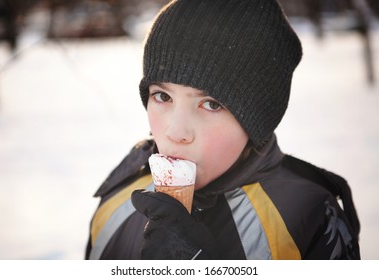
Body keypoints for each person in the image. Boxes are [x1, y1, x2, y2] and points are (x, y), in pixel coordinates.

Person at [85, 0, 360, 260]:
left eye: (211, 104)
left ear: (257, 120)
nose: (175, 132)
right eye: (163, 97)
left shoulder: (307, 216)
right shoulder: (118, 203)